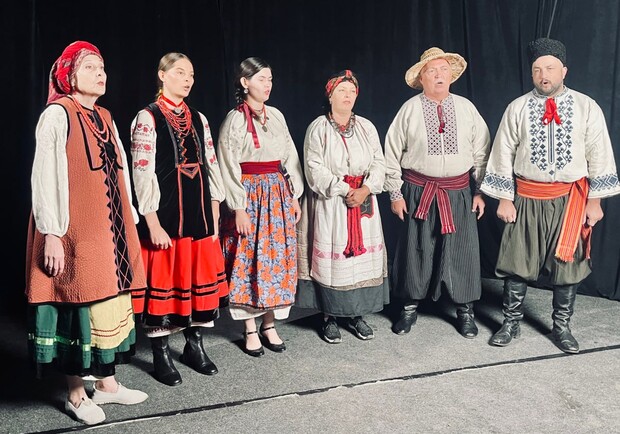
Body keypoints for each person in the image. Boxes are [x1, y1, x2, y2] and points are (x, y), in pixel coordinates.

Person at [25, 41, 148, 426]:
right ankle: (76, 394)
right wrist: (52, 232)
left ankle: (107, 385)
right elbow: (45, 175)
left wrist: (130, 217)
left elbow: (120, 169)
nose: (101, 73)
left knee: (108, 300)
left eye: (103, 67)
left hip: (109, 228)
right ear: (69, 75)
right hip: (73, 227)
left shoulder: (105, 115)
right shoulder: (57, 114)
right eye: (91, 67)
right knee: (76, 302)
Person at [481, 37, 620, 354]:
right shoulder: (517, 108)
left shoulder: (586, 107)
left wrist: (595, 202)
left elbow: (599, 153)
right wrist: (504, 198)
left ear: (564, 71)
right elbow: (502, 152)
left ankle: (562, 327)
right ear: (532, 73)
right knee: (516, 263)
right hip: (526, 197)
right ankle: (511, 323)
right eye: (537, 70)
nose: (544, 75)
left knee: (566, 266)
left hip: (569, 200)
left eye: (551, 68)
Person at [129, 52, 229, 386]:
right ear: (162, 75)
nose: (188, 80)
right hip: (167, 216)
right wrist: (152, 222)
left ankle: (194, 346)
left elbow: (211, 163)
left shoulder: (198, 118)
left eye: (192, 74)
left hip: (198, 215)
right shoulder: (148, 118)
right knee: (166, 282)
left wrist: (214, 210)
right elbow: (142, 172)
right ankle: (161, 353)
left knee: (198, 280)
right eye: (180, 72)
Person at [384, 47, 491, 339]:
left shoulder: (466, 108)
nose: (439, 75)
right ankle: (408, 308)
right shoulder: (409, 109)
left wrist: (480, 191)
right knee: (415, 249)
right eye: (432, 71)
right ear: (422, 78)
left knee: (462, 251)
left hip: (458, 192)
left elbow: (482, 152)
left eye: (444, 70)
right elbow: (391, 153)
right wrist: (395, 193)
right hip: (418, 191)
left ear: (451, 76)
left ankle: (465, 311)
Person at [218, 57, 303, 357]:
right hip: (250, 195)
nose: (267, 85)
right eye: (261, 79)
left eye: (270, 79)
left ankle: (269, 324)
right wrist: (238, 207)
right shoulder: (235, 120)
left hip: (277, 194)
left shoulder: (276, 115)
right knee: (249, 259)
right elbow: (227, 164)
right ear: (245, 82)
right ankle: (250, 328)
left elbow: (289, 157)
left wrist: (293, 195)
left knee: (274, 258)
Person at [296, 70, 389, 343]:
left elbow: (379, 162)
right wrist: (346, 190)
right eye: (341, 91)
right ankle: (330, 317)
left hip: (363, 201)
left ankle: (357, 315)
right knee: (335, 263)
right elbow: (314, 169)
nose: (347, 96)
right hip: (333, 203)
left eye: (351, 91)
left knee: (359, 262)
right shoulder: (318, 128)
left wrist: (365, 189)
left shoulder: (366, 127)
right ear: (330, 96)